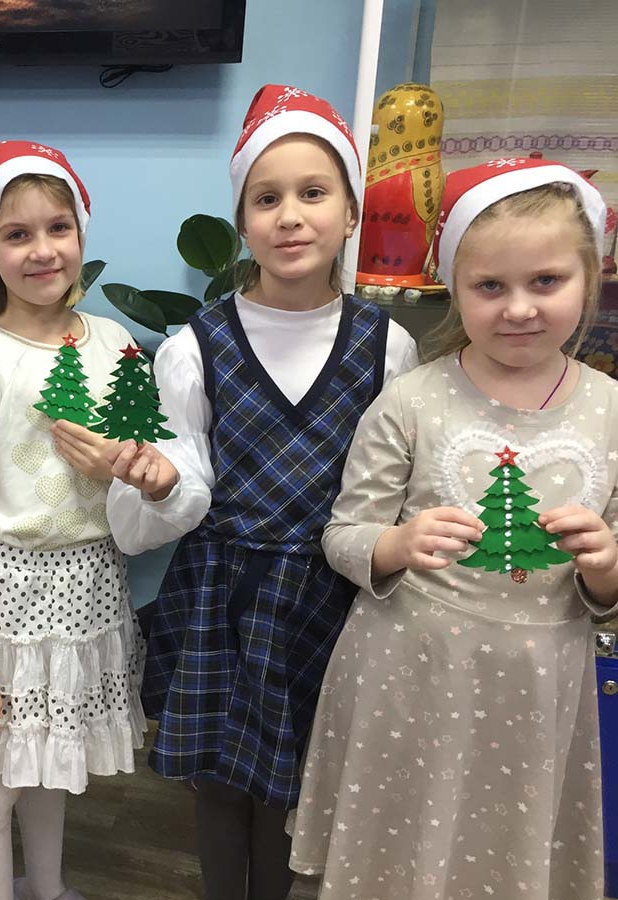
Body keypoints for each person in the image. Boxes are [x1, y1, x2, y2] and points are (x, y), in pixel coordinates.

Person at [106, 86, 418, 900]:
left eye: (313, 193)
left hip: (326, 593)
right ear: (242, 221)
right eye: (266, 198)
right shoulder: (194, 348)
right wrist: (157, 483)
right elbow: (174, 486)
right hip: (222, 591)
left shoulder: (387, 346)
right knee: (219, 779)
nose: (290, 217)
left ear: (350, 213)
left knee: (295, 782)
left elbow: (392, 488)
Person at [289, 157, 615, 900]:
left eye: (547, 281)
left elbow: (613, 579)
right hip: (409, 670)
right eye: (489, 286)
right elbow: (343, 534)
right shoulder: (411, 400)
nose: (519, 308)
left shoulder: (610, 411)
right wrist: (395, 545)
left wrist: (605, 563)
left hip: (537, 687)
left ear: (589, 279)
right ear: (454, 287)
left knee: (501, 851)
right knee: (396, 849)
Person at [0, 140, 147, 900]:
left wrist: (133, 465)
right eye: (17, 234)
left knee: (50, 767)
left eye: (58, 228)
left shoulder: (115, 343)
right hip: (9, 603)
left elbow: (145, 464)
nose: (43, 250)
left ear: (81, 234)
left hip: (91, 588)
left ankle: (47, 888)